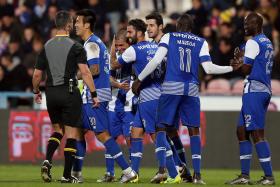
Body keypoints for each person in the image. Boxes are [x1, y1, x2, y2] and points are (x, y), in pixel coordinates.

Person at [132, 13, 238, 184]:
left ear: (178, 26)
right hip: (191, 89)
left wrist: (139, 79)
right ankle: (197, 175)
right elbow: (209, 69)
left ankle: (168, 171)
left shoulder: (169, 37)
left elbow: (155, 61)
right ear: (191, 27)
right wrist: (231, 68)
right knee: (194, 130)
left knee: (160, 128)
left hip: (172, 87)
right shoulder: (201, 41)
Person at [32, 10, 99, 183]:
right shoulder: (76, 46)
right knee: (71, 133)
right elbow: (85, 72)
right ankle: (67, 175)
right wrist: (94, 94)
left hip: (51, 93)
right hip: (69, 92)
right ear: (68, 25)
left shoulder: (46, 46)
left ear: (56, 24)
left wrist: (36, 92)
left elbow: (37, 75)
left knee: (57, 130)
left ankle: (47, 160)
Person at [111, 18, 178, 183]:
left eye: (130, 32)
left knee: (157, 136)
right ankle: (133, 173)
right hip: (155, 94)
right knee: (136, 132)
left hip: (149, 97)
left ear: (139, 33)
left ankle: (173, 173)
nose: (128, 35)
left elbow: (112, 65)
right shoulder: (156, 46)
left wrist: (113, 45)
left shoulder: (134, 50)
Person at [73, 9, 136, 183]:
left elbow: (94, 70)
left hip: (95, 97)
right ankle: (76, 173)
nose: (75, 25)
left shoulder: (91, 45)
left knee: (102, 135)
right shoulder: (97, 43)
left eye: (78, 21)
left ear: (87, 24)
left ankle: (128, 171)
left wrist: (75, 75)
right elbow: (104, 72)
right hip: (97, 95)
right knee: (79, 131)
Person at [226, 12, 275, 185]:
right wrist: (242, 63)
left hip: (255, 90)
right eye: (244, 23)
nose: (245, 26)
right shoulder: (267, 41)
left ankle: (269, 177)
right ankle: (245, 176)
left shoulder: (253, 42)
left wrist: (238, 64)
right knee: (241, 130)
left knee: (257, 133)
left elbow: (246, 69)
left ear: (258, 23)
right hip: (262, 89)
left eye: (248, 23)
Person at [145, 12, 192, 183]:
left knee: (162, 131)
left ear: (160, 27)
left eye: (151, 25)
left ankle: (172, 169)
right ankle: (182, 168)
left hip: (170, 92)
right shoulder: (154, 44)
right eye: (147, 25)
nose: (148, 28)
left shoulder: (168, 41)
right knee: (170, 131)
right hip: (164, 93)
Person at [96, 28, 135, 182]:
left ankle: (132, 171)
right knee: (110, 138)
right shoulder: (112, 57)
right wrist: (118, 85)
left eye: (121, 46)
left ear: (129, 44)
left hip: (128, 104)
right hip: (112, 104)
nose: (119, 49)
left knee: (130, 138)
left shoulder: (133, 55)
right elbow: (108, 77)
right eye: (117, 45)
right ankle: (109, 173)